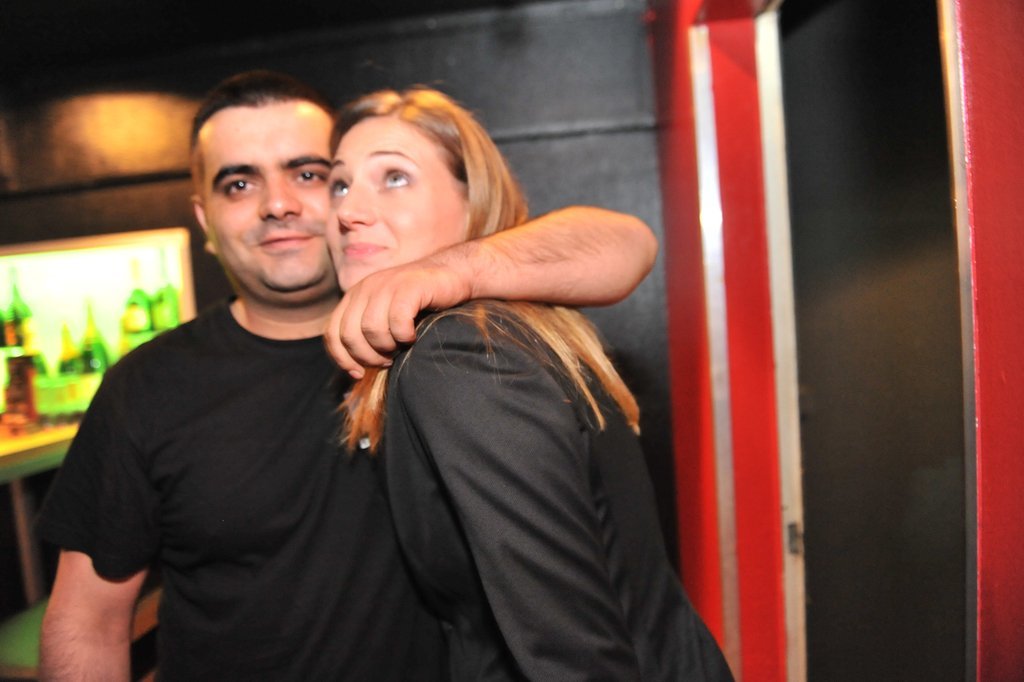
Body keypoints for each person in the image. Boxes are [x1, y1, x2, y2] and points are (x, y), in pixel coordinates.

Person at [35, 71, 657, 681]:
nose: (278, 204)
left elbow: (627, 242)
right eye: (239, 184)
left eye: (309, 175)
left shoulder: (440, 344)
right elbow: (87, 621)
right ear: (206, 222)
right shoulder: (147, 387)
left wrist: (450, 271)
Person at [326, 88, 732, 680]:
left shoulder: (457, 354)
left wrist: (448, 269)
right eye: (339, 185)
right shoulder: (501, 331)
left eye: (394, 178)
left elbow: (571, 653)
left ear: (473, 204)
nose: (349, 210)